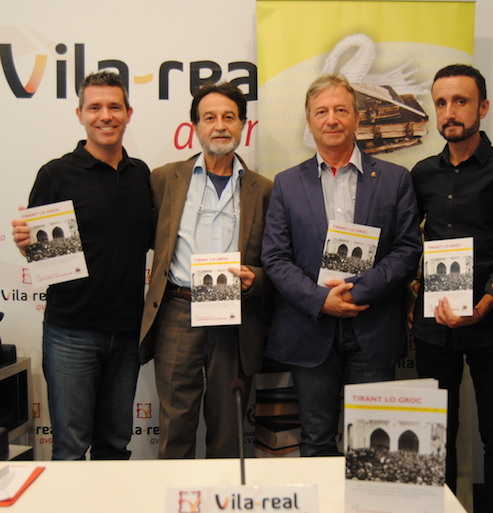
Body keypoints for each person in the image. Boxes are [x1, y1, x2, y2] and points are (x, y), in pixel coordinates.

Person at [261, 74, 422, 456]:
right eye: (321, 112)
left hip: (373, 327)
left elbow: (407, 249)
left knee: (374, 447)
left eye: (340, 110)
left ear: (357, 118)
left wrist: (356, 292)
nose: (331, 119)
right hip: (310, 328)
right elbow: (275, 258)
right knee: (316, 439)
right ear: (309, 121)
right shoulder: (286, 184)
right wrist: (321, 300)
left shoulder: (395, 179)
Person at [408, 64, 493, 513]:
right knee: (437, 434)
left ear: (483, 107)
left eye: (461, 101)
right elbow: (409, 242)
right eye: (441, 102)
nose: (450, 112)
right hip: (433, 326)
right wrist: (414, 287)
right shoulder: (421, 173)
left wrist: (487, 302)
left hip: (490, 323)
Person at [11, 71, 154, 460]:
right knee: (71, 448)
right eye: (95, 107)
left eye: (114, 107)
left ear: (128, 113)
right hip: (70, 333)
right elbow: (38, 251)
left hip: (127, 332)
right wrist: (26, 244)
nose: (105, 116)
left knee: (115, 445)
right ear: (80, 114)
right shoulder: (55, 175)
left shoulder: (142, 175)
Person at [139, 81, 273, 459]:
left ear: (243, 125)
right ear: (195, 127)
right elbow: (134, 235)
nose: (220, 126)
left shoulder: (264, 189)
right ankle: (177, 496)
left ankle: (222, 498)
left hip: (235, 315)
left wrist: (257, 278)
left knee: (229, 429)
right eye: (209, 117)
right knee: (175, 426)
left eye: (229, 117)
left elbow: (278, 259)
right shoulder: (163, 179)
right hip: (178, 310)